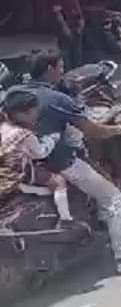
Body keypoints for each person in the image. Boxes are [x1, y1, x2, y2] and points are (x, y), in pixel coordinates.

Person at [22, 49, 121, 275]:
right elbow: (94, 131)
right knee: (112, 197)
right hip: (60, 162)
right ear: (50, 70)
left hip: (22, 161)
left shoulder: (15, 93)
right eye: (60, 68)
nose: (62, 73)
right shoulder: (57, 99)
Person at [0, 89, 78, 230]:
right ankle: (66, 219)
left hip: (3, 168)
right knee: (59, 181)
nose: (37, 114)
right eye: (34, 111)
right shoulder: (25, 134)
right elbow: (40, 153)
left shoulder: (4, 127)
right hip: (18, 172)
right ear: (23, 114)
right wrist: (52, 139)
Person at [50, 0, 85, 69]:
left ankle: (77, 73)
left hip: (75, 21)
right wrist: (64, 26)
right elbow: (57, 10)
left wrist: (81, 19)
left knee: (77, 51)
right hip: (66, 22)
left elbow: (76, 3)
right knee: (66, 51)